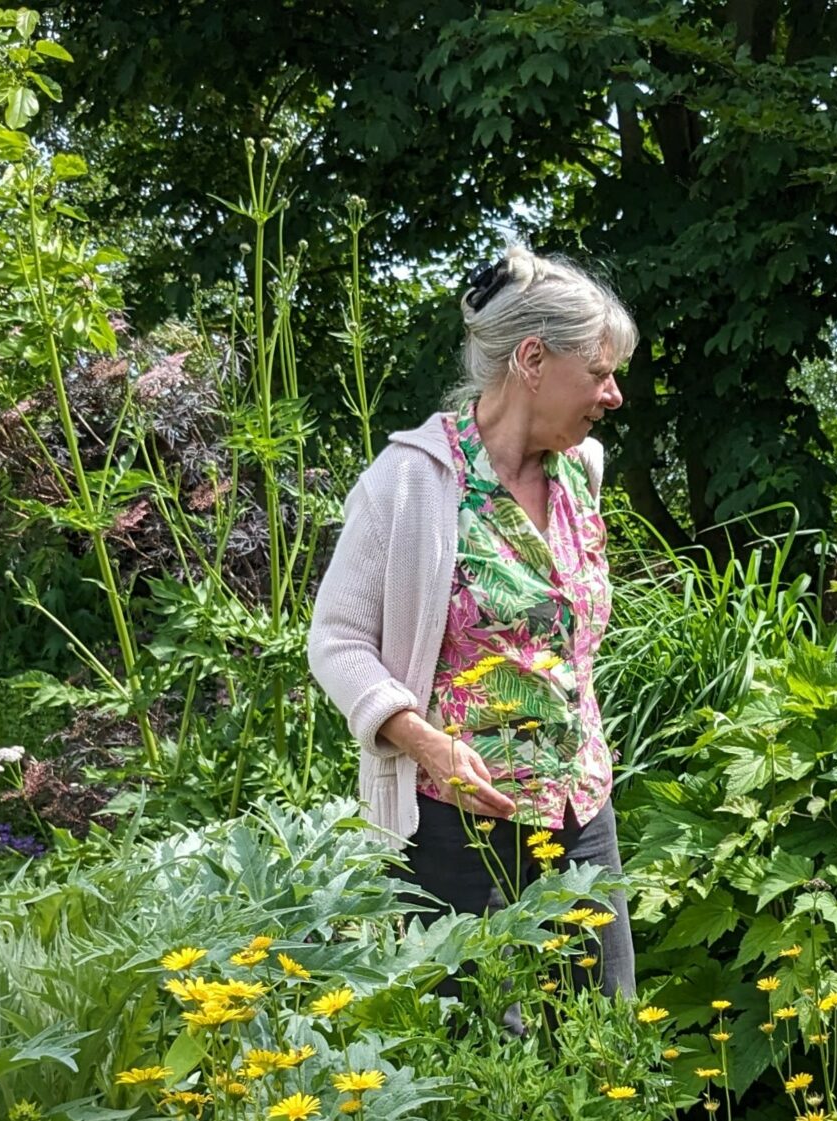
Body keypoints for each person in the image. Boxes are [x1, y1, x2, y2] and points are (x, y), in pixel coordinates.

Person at [308, 238, 638, 996]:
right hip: (459, 826)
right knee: (476, 1047)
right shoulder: (414, 481)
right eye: (597, 372)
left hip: (580, 808)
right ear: (531, 359)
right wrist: (424, 743)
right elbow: (337, 639)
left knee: (603, 1040)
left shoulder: (582, 471)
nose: (612, 394)